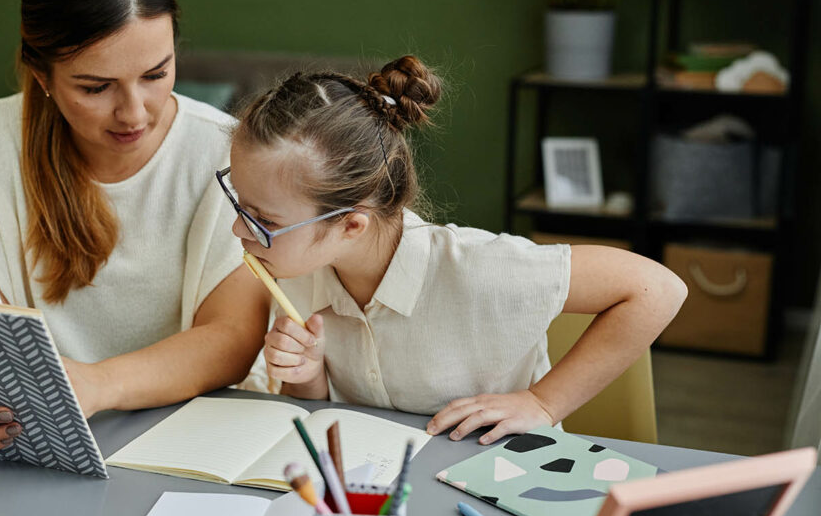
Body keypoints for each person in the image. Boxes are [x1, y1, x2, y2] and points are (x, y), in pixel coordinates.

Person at [0, 0, 269, 461]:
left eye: (156, 74)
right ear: (41, 75)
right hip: (40, 440)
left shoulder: (224, 152)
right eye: (95, 87)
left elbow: (232, 338)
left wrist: (96, 386)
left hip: (190, 436)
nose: (134, 113)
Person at [221, 55, 687, 445]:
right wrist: (307, 377)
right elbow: (327, 419)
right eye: (239, 203)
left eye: (265, 220)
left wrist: (543, 403)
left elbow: (658, 289)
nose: (240, 228)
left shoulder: (479, 268)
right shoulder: (297, 264)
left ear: (351, 226)